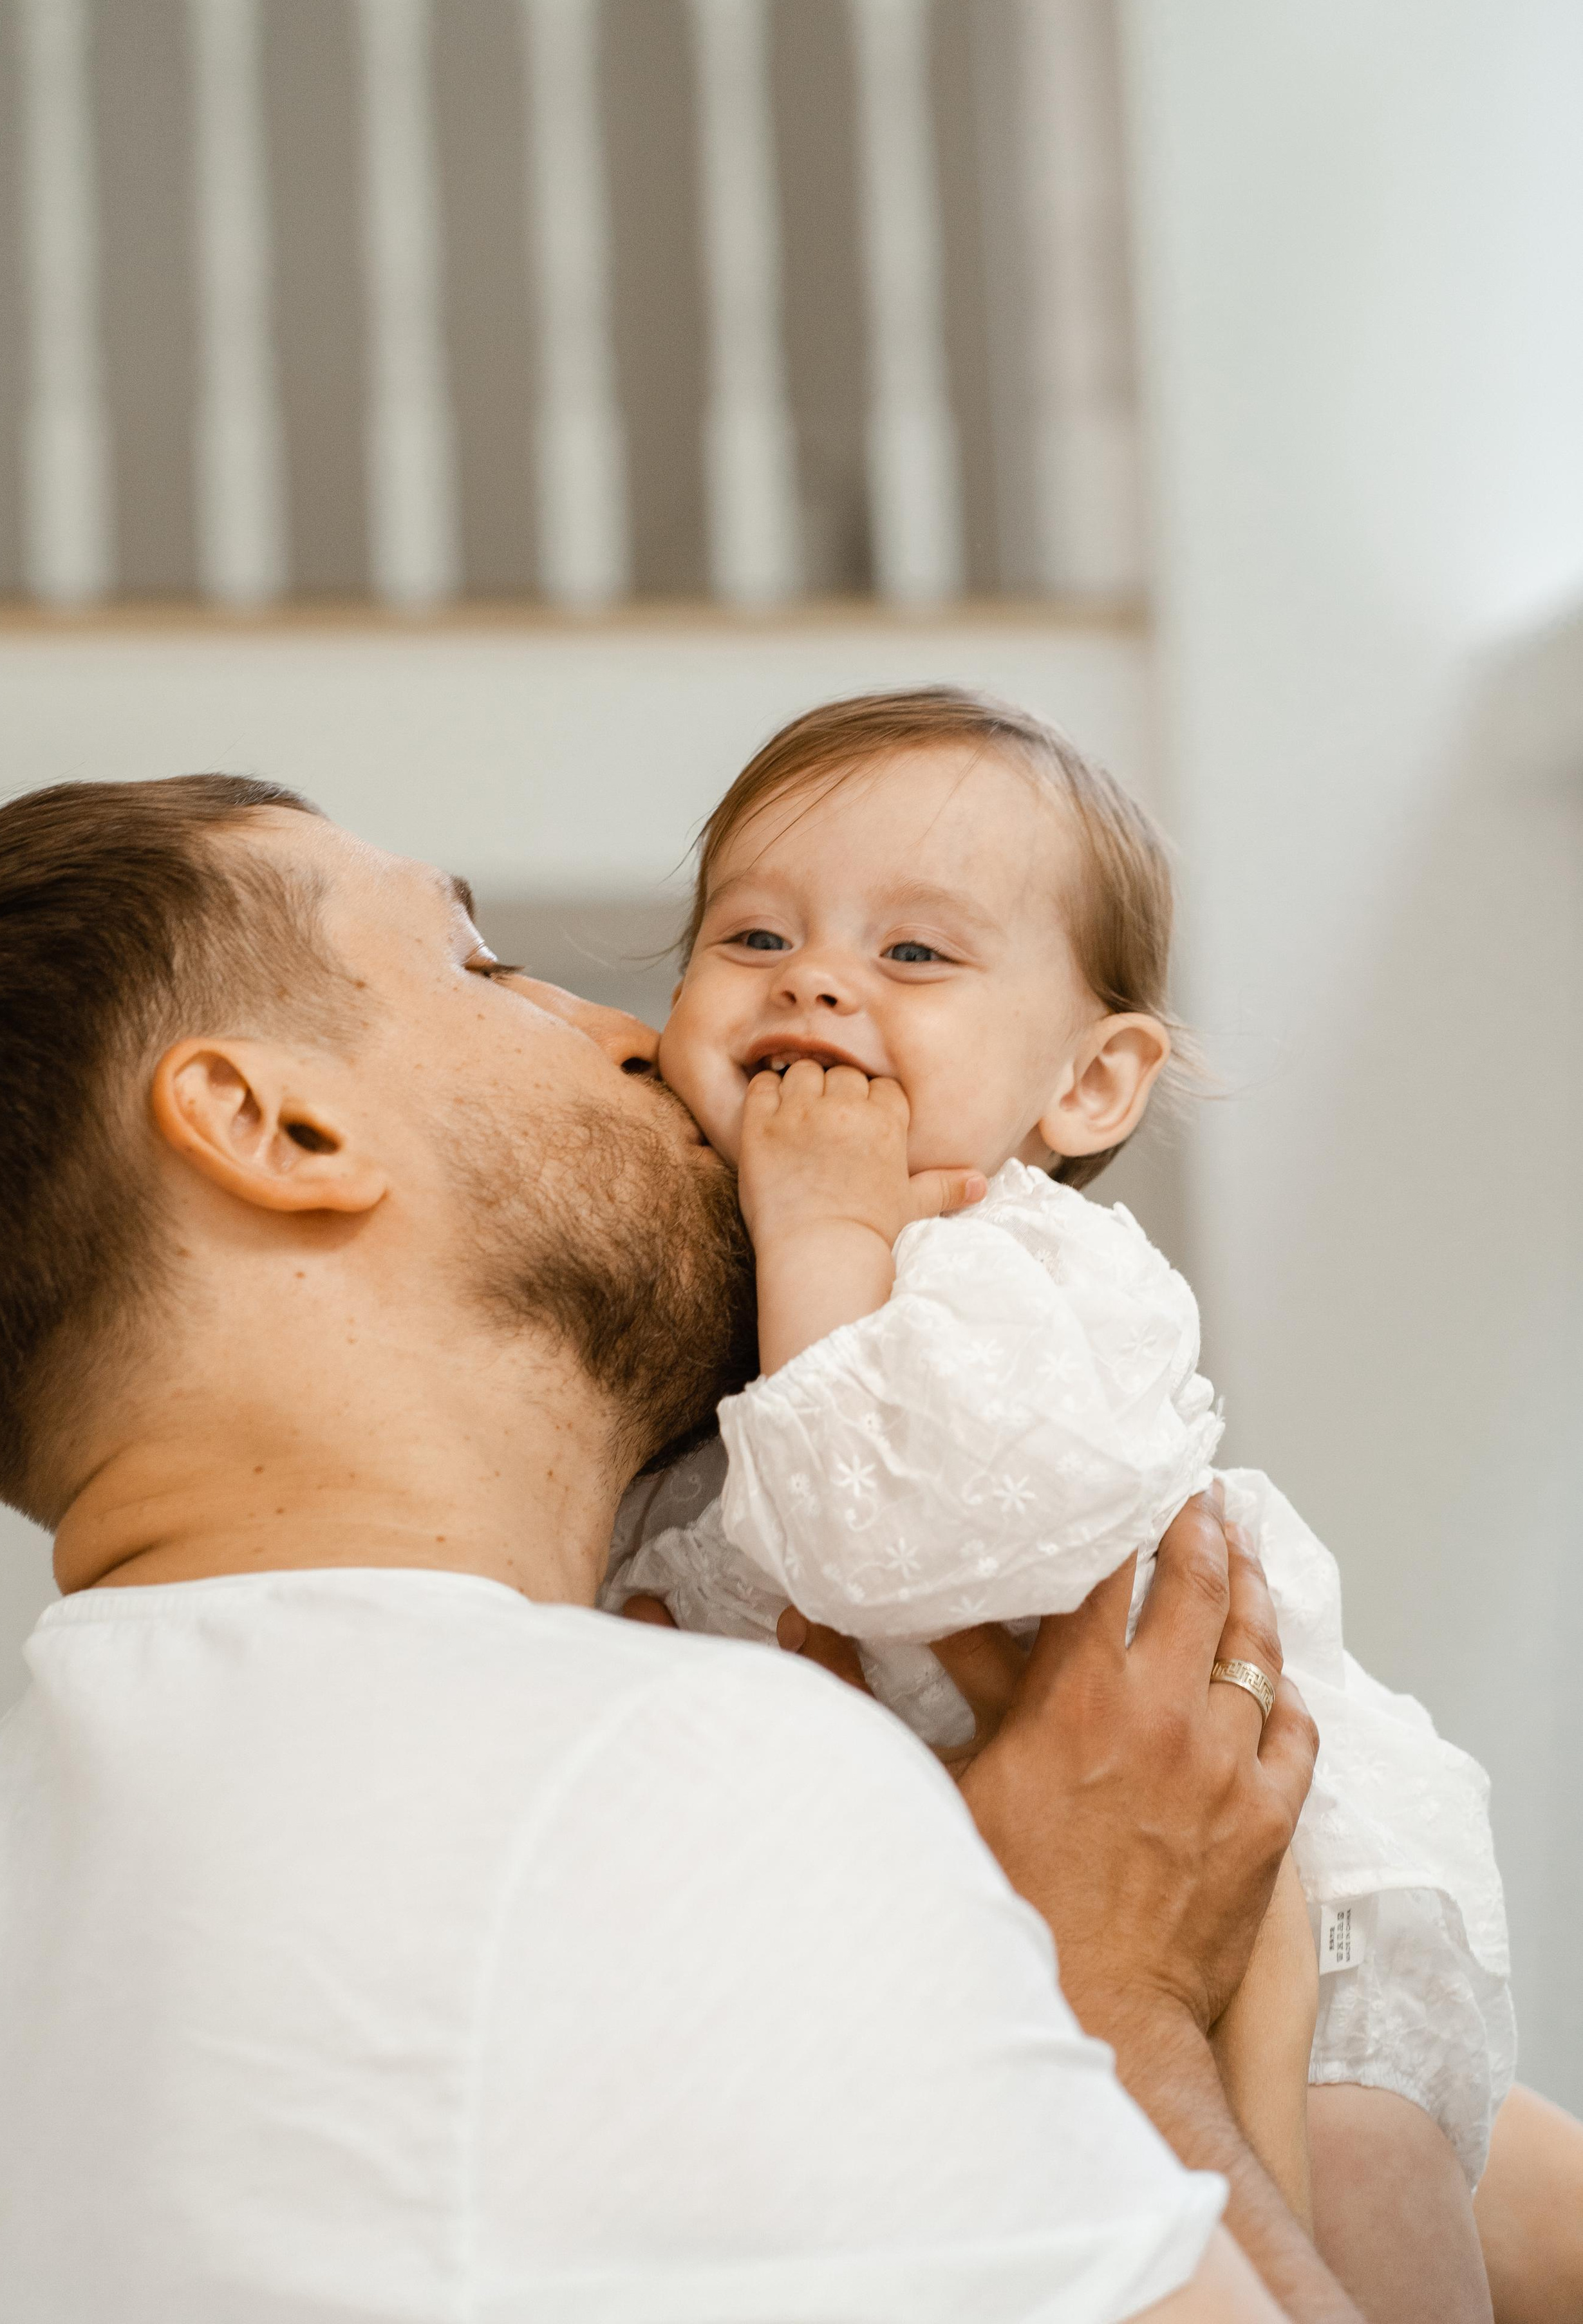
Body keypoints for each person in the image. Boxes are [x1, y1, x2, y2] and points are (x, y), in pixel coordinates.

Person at [0, 774, 1354, 2323]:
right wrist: (1116, 1995)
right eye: (480, 971)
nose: (636, 1037)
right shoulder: (663, 1779)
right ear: (279, 1126)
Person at [594, 688, 1535, 2307]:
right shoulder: (709, 1287)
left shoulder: (1026, 1273)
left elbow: (883, 1551)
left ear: (1091, 1087)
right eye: (750, 937)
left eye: (914, 957)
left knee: (1359, 2231)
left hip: (1282, 1892)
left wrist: (827, 1229)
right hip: (1010, 1910)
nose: (814, 978)